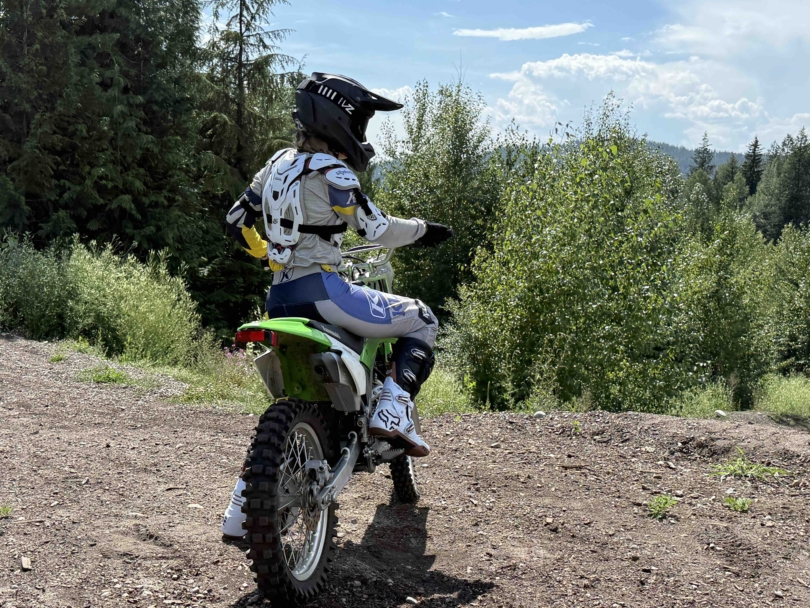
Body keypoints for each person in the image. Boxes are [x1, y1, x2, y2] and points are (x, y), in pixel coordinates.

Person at [220, 73, 452, 539]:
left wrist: (266, 253)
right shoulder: (333, 174)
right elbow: (375, 228)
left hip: (279, 297)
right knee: (422, 318)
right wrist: (423, 230)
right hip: (325, 293)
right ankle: (393, 409)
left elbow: (235, 218)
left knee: (295, 402)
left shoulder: (276, 165)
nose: (361, 134)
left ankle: (241, 510)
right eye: (360, 122)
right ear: (339, 119)